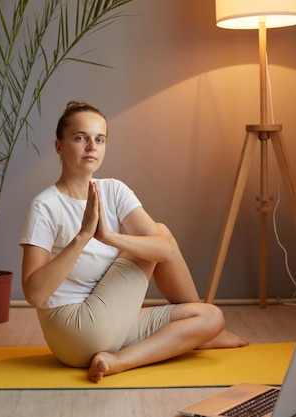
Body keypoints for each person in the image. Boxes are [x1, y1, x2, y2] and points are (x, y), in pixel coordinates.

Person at [19, 101, 248, 383]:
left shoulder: (114, 190)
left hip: (113, 322)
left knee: (211, 316)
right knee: (157, 231)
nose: (92, 146)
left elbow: (165, 250)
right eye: (80, 138)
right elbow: (34, 294)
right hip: (74, 331)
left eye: (99, 139)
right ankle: (189, 339)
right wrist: (82, 237)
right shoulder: (45, 206)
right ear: (59, 146)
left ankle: (122, 359)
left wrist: (109, 237)